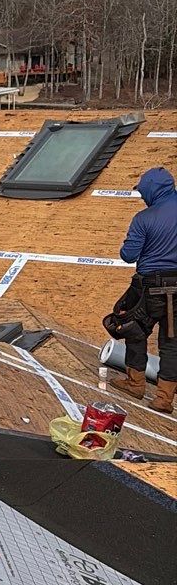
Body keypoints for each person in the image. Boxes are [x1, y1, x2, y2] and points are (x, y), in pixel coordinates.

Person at [116, 166, 177, 412]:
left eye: (143, 193)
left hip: (151, 287)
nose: (142, 197)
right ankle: (164, 399)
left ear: (151, 191)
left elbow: (128, 255)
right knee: (173, 341)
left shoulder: (144, 218)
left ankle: (135, 384)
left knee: (135, 329)